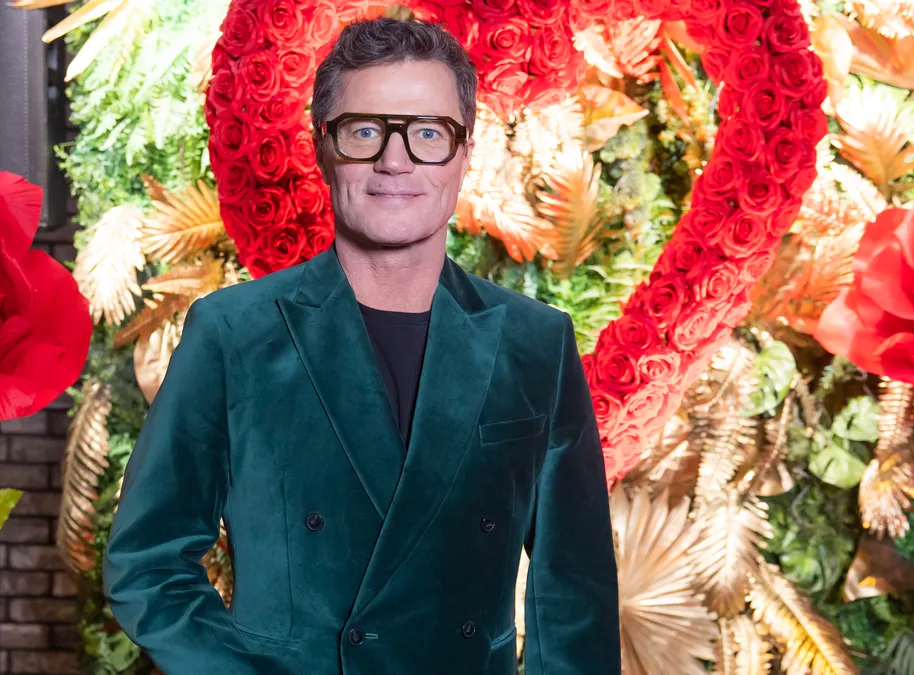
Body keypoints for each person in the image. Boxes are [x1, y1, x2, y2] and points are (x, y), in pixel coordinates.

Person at [102, 16, 620, 675]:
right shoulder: (233, 334)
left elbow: (575, 592)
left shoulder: (536, 343)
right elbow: (146, 562)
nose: (394, 160)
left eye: (428, 133)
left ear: (465, 154)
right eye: (365, 131)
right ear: (323, 147)